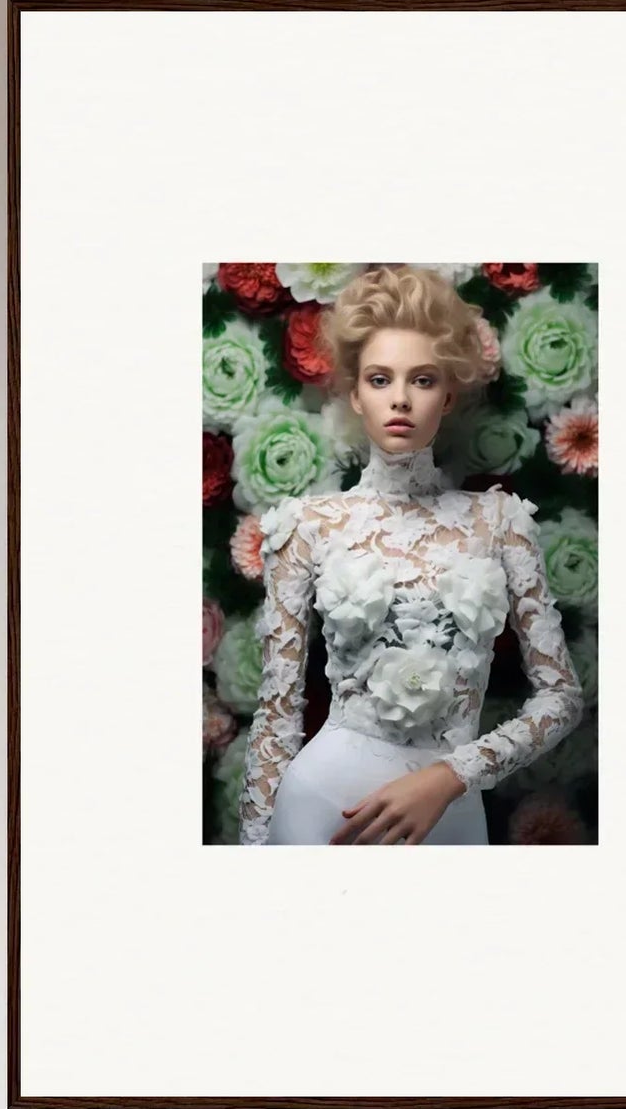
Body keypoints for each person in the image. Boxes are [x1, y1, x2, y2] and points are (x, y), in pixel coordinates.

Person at [237, 264, 584, 845]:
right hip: (320, 807)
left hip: (448, 813)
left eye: (421, 380)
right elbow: (276, 719)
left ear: (447, 396)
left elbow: (561, 698)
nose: (400, 399)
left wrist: (450, 776)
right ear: (355, 394)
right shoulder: (307, 525)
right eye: (380, 379)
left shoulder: (500, 522)